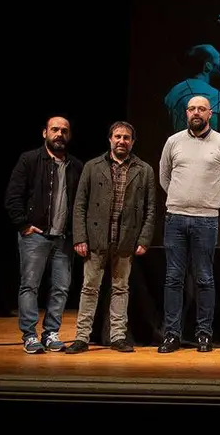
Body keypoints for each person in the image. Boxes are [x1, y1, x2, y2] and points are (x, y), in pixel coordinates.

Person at [64, 121, 157, 354]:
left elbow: (151, 208)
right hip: (96, 238)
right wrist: (80, 237)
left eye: (126, 137)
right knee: (89, 289)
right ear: (110, 139)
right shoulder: (93, 166)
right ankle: (82, 337)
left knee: (120, 288)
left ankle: (118, 336)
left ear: (132, 142)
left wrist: (144, 239)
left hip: (125, 238)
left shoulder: (143, 169)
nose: (122, 141)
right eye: (117, 136)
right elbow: (80, 204)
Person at [157, 95, 220, 353]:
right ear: (186, 113)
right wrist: (182, 200)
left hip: (206, 220)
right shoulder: (173, 142)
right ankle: (171, 334)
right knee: (173, 279)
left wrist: (207, 201)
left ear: (210, 113)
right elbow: (164, 178)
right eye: (191, 109)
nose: (196, 113)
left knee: (204, 278)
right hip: (176, 217)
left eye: (201, 109)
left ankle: (204, 334)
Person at [4, 116, 84, 353]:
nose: (59, 134)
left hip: (63, 237)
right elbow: (13, 196)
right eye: (55, 130)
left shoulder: (76, 165)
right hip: (35, 236)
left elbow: (81, 203)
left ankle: (50, 333)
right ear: (45, 133)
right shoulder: (29, 159)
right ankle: (29, 335)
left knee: (61, 287)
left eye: (64, 131)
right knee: (30, 285)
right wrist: (23, 225)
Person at [164, 44, 220, 133]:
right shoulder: (214, 94)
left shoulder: (172, 93)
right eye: (219, 57)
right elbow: (213, 133)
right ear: (208, 66)